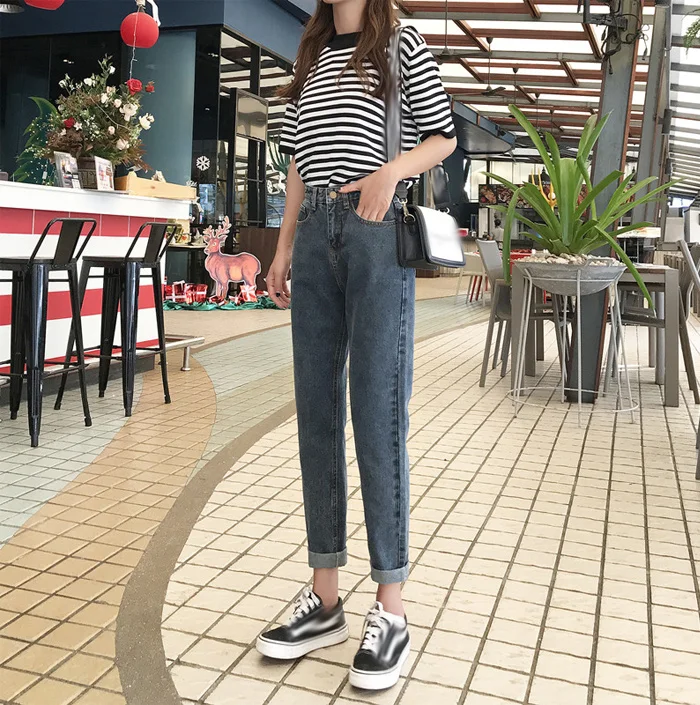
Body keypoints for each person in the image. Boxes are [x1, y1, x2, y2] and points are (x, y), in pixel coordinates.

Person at [259, 0, 456, 691]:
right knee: (316, 415)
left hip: (375, 234)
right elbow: (297, 164)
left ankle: (391, 608)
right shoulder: (312, 52)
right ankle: (325, 598)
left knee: (377, 414)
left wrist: (391, 171)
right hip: (315, 236)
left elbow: (443, 136)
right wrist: (284, 245)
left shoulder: (400, 41)